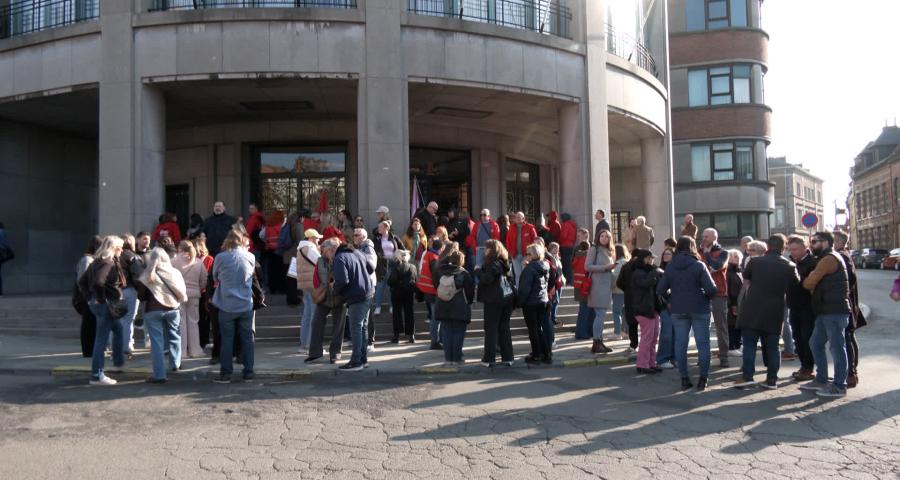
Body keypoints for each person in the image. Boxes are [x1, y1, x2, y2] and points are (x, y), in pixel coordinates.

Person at [732, 235, 800, 389]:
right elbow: (796, 286)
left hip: (752, 308)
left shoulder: (755, 262)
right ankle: (772, 380)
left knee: (749, 344)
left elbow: (746, 280)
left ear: (768, 246)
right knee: (773, 347)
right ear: (784, 247)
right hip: (775, 310)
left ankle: (748, 376)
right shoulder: (789, 265)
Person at [657, 236, 717, 391]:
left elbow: (660, 290)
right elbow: (711, 289)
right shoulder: (699, 265)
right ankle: (703, 378)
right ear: (692, 247)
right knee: (703, 344)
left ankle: (684, 378)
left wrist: (672, 298)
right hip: (699, 308)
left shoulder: (671, 267)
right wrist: (704, 295)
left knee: (680, 344)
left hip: (678, 308)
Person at [799, 231, 851, 398]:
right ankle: (821, 379)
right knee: (815, 343)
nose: (811, 245)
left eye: (814, 242)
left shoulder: (829, 259)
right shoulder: (825, 258)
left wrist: (810, 280)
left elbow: (809, 283)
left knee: (837, 348)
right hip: (825, 310)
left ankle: (839, 386)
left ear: (825, 242)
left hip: (834, 310)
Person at [78, 236, 127, 386]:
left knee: (118, 329)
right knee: (101, 339)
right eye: (120, 248)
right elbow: (99, 282)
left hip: (101, 304)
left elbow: (82, 281)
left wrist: (90, 298)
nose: (122, 250)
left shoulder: (96, 262)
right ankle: (96, 374)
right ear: (113, 248)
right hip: (106, 304)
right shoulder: (108, 262)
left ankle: (118, 362)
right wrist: (100, 298)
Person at [136, 247, 188, 383]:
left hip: (153, 310)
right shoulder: (175, 272)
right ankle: (175, 364)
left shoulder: (147, 274)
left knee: (157, 343)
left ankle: (159, 374)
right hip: (173, 308)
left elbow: (141, 296)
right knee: (175, 336)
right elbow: (182, 290)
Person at [211, 229, 256, 383]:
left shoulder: (220, 257)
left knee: (227, 339)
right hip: (246, 303)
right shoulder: (250, 256)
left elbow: (215, 276)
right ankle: (248, 372)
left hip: (227, 304)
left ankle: (226, 373)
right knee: (247, 339)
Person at [332, 234, 375, 371]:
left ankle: (356, 361)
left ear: (334, 250)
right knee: (362, 327)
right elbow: (371, 268)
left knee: (356, 328)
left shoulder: (339, 258)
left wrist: (334, 288)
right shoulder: (357, 253)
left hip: (357, 296)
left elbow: (342, 281)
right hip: (368, 292)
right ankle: (363, 359)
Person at [304, 237, 347, 364]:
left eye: (327, 250)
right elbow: (316, 279)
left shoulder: (340, 259)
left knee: (338, 327)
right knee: (316, 323)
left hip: (339, 297)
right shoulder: (320, 261)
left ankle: (335, 354)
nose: (324, 252)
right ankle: (315, 353)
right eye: (325, 250)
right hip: (324, 297)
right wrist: (319, 290)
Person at [433, 246, 475, 365]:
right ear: (461, 261)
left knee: (446, 333)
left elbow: (436, 285)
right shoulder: (464, 273)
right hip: (459, 307)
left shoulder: (440, 271)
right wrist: (469, 303)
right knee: (458, 333)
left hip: (442, 305)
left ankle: (448, 359)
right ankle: (457, 359)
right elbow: (470, 293)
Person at [476, 239, 515, 366]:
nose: (485, 250)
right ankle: (508, 357)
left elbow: (487, 279)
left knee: (491, 329)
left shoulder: (493, 263)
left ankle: (489, 359)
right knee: (504, 328)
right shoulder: (505, 262)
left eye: (487, 248)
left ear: (492, 250)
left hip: (493, 299)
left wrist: (478, 270)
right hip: (506, 298)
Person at [833, 230, 864, 388]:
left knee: (846, 337)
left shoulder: (842, 256)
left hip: (847, 303)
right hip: (850, 302)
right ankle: (851, 372)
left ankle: (851, 373)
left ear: (838, 241)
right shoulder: (844, 254)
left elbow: (850, 279)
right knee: (849, 336)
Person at [785, 235, 817, 382]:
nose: (792, 252)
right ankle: (804, 366)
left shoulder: (813, 262)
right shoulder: (791, 261)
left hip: (808, 306)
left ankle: (808, 367)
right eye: (790, 250)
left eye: (795, 249)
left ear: (805, 248)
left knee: (807, 338)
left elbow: (809, 283)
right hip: (794, 305)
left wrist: (797, 277)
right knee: (797, 337)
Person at [629, 249, 663, 375]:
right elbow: (645, 284)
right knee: (647, 338)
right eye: (650, 258)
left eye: (652, 258)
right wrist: (655, 272)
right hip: (643, 309)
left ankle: (651, 363)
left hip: (653, 308)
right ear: (644, 259)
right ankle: (642, 364)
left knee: (654, 338)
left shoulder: (649, 271)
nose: (652, 260)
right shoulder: (638, 272)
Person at [700, 227, 730, 368]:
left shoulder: (723, 253)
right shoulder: (698, 252)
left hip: (719, 294)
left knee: (721, 327)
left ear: (714, 237)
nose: (703, 238)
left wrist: (707, 255)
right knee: (701, 327)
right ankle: (704, 356)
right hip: (701, 293)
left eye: (706, 236)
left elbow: (717, 266)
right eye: (703, 236)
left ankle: (724, 356)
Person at [173, 240, 208, 358]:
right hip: (194, 295)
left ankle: (182, 351)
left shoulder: (173, 261)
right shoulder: (198, 262)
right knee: (193, 322)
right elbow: (204, 280)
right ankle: (195, 350)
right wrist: (198, 288)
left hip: (178, 295)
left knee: (181, 323)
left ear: (179, 248)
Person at [518, 243, 552, 364]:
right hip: (542, 301)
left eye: (528, 254)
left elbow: (524, 289)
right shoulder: (544, 266)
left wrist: (519, 302)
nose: (526, 256)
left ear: (533, 255)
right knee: (539, 329)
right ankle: (546, 354)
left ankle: (537, 354)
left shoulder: (529, 269)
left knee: (534, 330)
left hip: (531, 303)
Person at [296, 228, 322, 353]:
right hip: (312, 284)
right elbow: (320, 262)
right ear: (311, 238)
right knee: (313, 315)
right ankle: (311, 345)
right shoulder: (310, 248)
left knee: (306, 315)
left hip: (304, 284)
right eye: (317, 239)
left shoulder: (300, 248)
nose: (318, 241)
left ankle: (304, 344)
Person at [352, 228, 379, 350]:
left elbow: (371, 266)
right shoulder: (359, 248)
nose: (354, 236)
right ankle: (363, 340)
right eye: (354, 234)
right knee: (363, 315)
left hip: (368, 285)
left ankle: (370, 341)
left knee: (368, 315)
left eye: (356, 235)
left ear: (363, 237)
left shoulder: (368, 248)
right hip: (362, 284)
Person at [76, 235, 103, 357]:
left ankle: (92, 349)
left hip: (93, 295)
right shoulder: (87, 260)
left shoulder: (94, 259)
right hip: (88, 296)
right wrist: (88, 296)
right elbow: (82, 279)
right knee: (88, 323)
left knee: (93, 323)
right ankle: (88, 351)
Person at [417, 237, 444, 350]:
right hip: (434, 291)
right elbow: (435, 276)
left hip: (427, 290)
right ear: (441, 248)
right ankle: (435, 342)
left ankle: (437, 340)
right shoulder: (434, 258)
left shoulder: (428, 255)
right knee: (436, 318)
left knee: (435, 317)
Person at [118, 234, 142, 356]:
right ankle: (126, 345)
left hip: (116, 290)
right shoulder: (133, 257)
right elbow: (138, 276)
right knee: (128, 319)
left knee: (117, 319)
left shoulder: (114, 256)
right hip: (130, 289)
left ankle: (115, 345)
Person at [372, 220, 403, 317]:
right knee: (380, 286)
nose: (378, 229)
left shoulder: (394, 238)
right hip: (381, 264)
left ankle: (392, 306)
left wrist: (398, 257)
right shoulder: (376, 239)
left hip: (392, 264)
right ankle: (378, 306)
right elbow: (373, 250)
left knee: (390, 286)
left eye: (380, 227)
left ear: (386, 228)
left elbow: (402, 249)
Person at [386, 250, 417, 343]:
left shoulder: (396, 267)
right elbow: (415, 279)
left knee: (397, 314)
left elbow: (390, 281)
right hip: (409, 293)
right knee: (409, 313)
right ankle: (411, 336)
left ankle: (397, 336)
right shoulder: (413, 267)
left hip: (397, 293)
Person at [571, 229, 594, 340]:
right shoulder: (589, 251)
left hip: (580, 284)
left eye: (579, 235)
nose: (577, 237)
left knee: (586, 309)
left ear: (586, 235)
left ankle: (586, 331)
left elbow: (573, 264)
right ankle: (582, 332)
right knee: (586, 310)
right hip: (586, 285)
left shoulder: (578, 251)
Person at [655, 248, 676, 369]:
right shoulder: (659, 271)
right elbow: (659, 290)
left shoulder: (676, 269)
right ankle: (662, 359)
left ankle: (674, 358)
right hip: (664, 305)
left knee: (676, 334)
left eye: (668, 254)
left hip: (676, 305)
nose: (665, 255)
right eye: (664, 254)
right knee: (666, 333)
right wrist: (667, 302)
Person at [193, 236, 214, 349]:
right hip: (195, 290)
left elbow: (210, 275)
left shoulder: (209, 259)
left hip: (205, 292)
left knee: (205, 317)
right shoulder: (193, 259)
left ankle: (204, 340)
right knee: (197, 318)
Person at [506, 211, 537, 287]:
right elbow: (508, 241)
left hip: (527, 255)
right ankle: (519, 290)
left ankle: (526, 289)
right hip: (515, 255)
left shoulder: (530, 227)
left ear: (523, 218)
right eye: (516, 217)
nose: (517, 219)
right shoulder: (511, 227)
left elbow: (535, 240)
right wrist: (510, 252)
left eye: (519, 217)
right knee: (518, 275)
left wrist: (531, 253)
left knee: (526, 274)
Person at [543, 241, 565, 350]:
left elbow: (559, 271)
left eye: (557, 248)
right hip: (553, 286)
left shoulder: (557, 258)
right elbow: (553, 273)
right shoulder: (550, 259)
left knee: (556, 302)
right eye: (554, 248)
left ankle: (553, 318)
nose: (556, 250)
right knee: (552, 306)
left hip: (558, 284)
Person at [725, 249, 745, 358]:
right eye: (735, 256)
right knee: (731, 325)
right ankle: (731, 346)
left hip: (740, 302)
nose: (738, 258)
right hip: (732, 303)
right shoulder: (728, 271)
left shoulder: (739, 270)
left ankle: (737, 344)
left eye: (738, 256)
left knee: (739, 325)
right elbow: (728, 289)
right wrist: (732, 304)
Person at [610, 245, 630, 341]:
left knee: (616, 312)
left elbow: (615, 278)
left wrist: (611, 287)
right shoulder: (627, 262)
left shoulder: (618, 264)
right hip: (627, 291)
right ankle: (626, 332)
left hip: (618, 291)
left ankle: (617, 333)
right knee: (625, 312)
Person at [558, 213, 577, 283]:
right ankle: (570, 280)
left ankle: (567, 280)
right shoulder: (573, 225)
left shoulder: (565, 224)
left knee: (565, 264)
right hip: (571, 246)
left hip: (564, 246)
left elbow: (563, 236)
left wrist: (559, 241)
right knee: (569, 264)